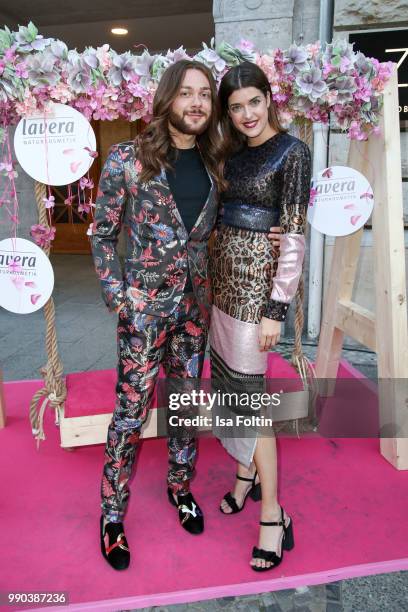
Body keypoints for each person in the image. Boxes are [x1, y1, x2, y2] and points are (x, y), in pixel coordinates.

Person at [91, 59, 224, 570]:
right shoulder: (128, 159)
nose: (196, 103)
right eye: (186, 93)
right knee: (130, 413)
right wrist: (120, 297)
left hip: (195, 310)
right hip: (144, 314)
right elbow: (102, 236)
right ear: (167, 99)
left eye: (205, 95)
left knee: (186, 405)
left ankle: (179, 486)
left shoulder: (216, 163)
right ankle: (110, 513)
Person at [210, 61, 311, 571]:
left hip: (256, 301)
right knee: (228, 392)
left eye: (254, 101)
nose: (247, 113)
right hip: (222, 293)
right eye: (236, 106)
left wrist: (277, 310)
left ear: (269, 98)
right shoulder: (230, 153)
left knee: (249, 404)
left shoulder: (293, 152)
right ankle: (246, 476)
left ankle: (273, 515)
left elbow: (293, 235)